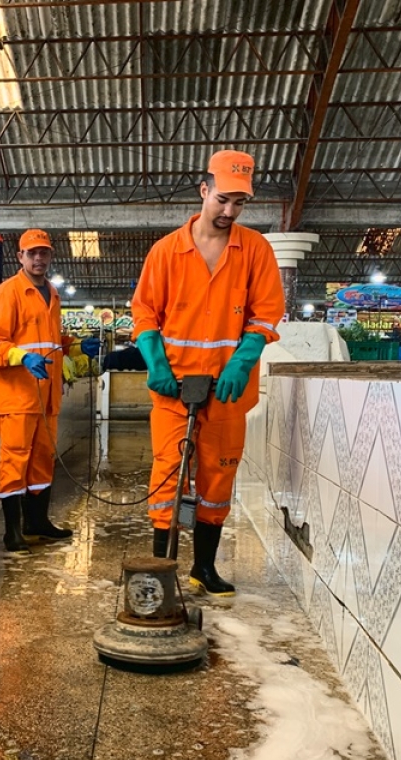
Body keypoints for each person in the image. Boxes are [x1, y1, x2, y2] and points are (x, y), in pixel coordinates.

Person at [131, 149, 285, 596]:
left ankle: (203, 567)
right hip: (173, 389)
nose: (230, 211)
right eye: (223, 200)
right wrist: (156, 362)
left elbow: (267, 314)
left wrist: (243, 359)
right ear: (204, 191)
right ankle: (161, 568)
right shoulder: (166, 252)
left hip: (227, 390)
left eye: (240, 203)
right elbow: (144, 313)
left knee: (217, 478)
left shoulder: (254, 249)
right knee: (167, 476)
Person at [0, 229, 74, 552]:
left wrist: (73, 348)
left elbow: (48, 342)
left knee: (42, 460)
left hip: (48, 397)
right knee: (14, 460)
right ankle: (13, 531)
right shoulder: (9, 292)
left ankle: (38, 522)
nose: (39, 259)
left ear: (50, 256)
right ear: (20, 257)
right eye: (32, 253)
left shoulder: (52, 293)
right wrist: (22, 356)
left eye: (44, 253)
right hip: (19, 396)